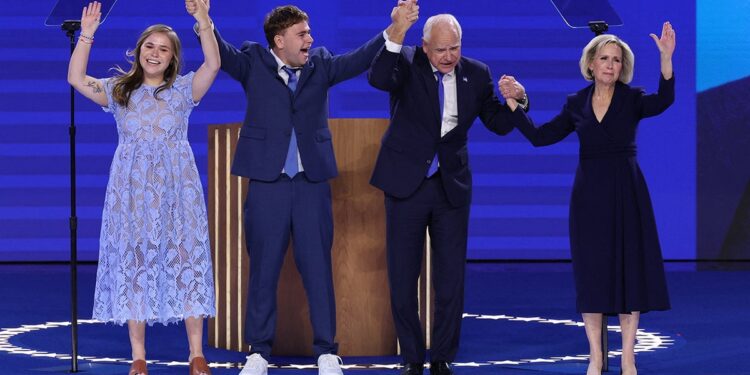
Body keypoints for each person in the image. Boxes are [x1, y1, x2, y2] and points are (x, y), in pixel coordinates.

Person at [202, 2, 418, 375]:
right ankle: (258, 352)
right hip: (267, 185)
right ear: (279, 40)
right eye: (302, 34)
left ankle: (327, 352)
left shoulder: (320, 62)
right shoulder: (253, 61)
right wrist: (203, 19)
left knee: (318, 269)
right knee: (263, 270)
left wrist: (393, 29)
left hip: (310, 185)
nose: (310, 39)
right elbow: (220, 52)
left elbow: (360, 58)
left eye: (310, 33)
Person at [501, 22, 676, 375]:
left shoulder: (633, 98)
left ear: (621, 66)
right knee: (592, 274)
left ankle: (628, 358)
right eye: (604, 58)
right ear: (591, 64)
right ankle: (596, 357)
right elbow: (540, 137)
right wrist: (514, 104)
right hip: (589, 198)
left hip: (627, 192)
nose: (610, 65)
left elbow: (665, 100)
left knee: (628, 272)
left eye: (616, 59)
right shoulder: (575, 103)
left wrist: (666, 59)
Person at [367, 14, 528, 375]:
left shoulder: (477, 72)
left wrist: (518, 99)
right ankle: (411, 357)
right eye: (441, 49)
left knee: (450, 278)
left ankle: (441, 357)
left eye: (454, 47)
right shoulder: (406, 61)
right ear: (426, 47)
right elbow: (378, 78)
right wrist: (395, 34)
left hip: (450, 186)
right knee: (403, 276)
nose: (449, 56)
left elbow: (499, 125)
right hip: (406, 183)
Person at [67, 1, 220, 374]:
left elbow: (213, 64)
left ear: (172, 59)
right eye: (149, 46)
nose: (155, 53)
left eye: (163, 49)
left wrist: (203, 20)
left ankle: (196, 353)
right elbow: (75, 77)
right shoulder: (119, 90)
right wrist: (87, 33)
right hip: (132, 191)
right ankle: (138, 357)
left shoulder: (184, 90)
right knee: (135, 263)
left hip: (177, 189)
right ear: (139, 52)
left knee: (186, 262)